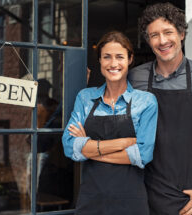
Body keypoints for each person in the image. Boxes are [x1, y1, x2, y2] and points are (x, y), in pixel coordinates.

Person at [128, 3, 192, 215]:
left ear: (182, 33)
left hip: (187, 201)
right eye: (154, 35)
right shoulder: (134, 77)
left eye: (168, 32)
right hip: (139, 195)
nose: (162, 41)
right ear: (148, 41)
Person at [62, 31, 158, 215]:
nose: (113, 64)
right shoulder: (85, 98)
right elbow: (69, 146)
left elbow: (142, 155)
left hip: (131, 202)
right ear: (99, 61)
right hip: (91, 199)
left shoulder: (146, 102)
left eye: (119, 57)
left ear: (130, 59)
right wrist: (123, 143)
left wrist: (89, 150)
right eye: (107, 57)